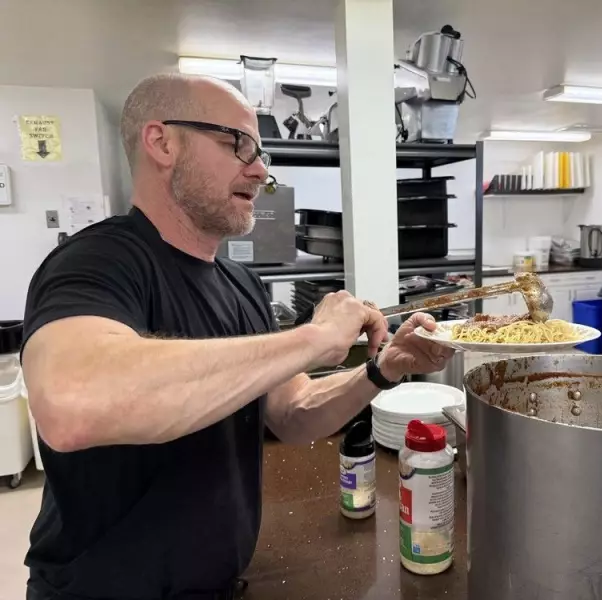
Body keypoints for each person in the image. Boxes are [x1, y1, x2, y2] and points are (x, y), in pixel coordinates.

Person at [21, 73, 454, 600]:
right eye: (238, 144)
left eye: (260, 152)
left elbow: (291, 411)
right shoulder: (97, 261)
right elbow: (73, 403)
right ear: (162, 142)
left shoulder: (242, 284)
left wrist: (379, 371)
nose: (260, 169)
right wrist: (314, 337)